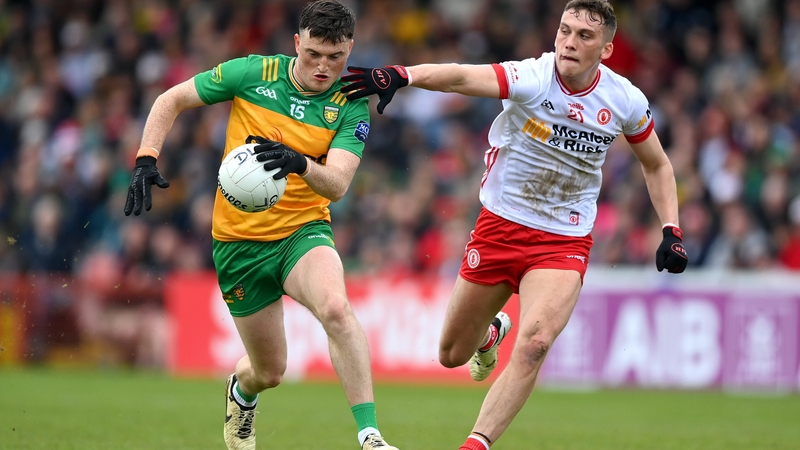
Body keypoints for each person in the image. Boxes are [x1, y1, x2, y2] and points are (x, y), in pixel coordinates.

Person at [340, 0, 688, 448]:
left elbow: (657, 165)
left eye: (584, 36)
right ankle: (489, 334)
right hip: (501, 227)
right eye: (565, 30)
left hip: (564, 238)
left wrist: (671, 229)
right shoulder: (533, 77)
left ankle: (475, 443)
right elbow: (463, 76)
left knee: (535, 343)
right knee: (450, 355)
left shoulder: (624, 99)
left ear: (606, 49)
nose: (569, 41)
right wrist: (404, 75)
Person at [123, 1, 399, 449]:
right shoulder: (253, 73)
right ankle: (242, 391)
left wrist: (300, 164)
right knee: (269, 371)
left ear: (350, 49)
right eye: (313, 54)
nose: (324, 67)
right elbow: (170, 99)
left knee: (335, 308)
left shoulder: (351, 103)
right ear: (296, 43)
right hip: (239, 243)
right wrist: (146, 157)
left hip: (302, 230)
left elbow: (338, 185)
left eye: (336, 57)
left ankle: (370, 436)